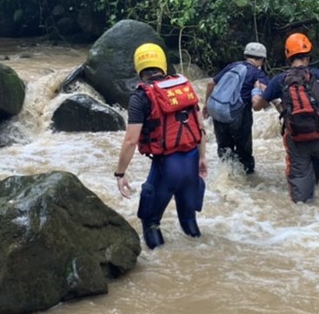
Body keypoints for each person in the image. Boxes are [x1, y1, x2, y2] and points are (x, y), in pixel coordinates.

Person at [114, 43, 209, 249]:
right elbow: (199, 127)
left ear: (139, 67)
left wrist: (120, 174)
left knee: (151, 221)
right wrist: (202, 157)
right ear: (162, 64)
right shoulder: (184, 86)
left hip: (167, 166)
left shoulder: (140, 97)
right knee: (189, 220)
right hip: (191, 162)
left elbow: (131, 140)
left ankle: (160, 266)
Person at [251, 33, 319, 204]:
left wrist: (257, 91)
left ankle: (305, 212)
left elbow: (257, 107)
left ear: (288, 57)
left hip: (297, 140)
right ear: (308, 57)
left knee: (301, 199)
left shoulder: (279, 80)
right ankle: (315, 176)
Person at [202, 41, 268, 174]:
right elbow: (265, 96)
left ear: (246, 55)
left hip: (218, 111)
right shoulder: (258, 74)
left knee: (224, 150)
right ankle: (247, 182)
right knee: (244, 152)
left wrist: (206, 105)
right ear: (262, 59)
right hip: (239, 115)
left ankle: (226, 177)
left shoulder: (232, 66)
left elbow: (210, 83)